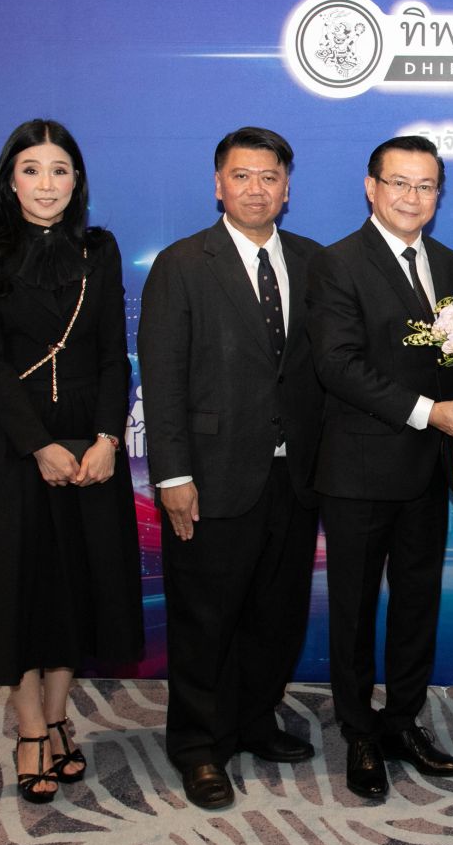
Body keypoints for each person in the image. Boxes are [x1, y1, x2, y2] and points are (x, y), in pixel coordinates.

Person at [0, 119, 144, 804]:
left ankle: (58, 716)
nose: (46, 184)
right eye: (31, 170)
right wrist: (39, 445)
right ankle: (30, 728)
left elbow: (114, 355)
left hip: (91, 441)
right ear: (10, 180)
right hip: (15, 443)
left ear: (76, 180)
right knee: (17, 587)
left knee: (76, 584)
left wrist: (107, 439)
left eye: (60, 170)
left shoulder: (98, 249)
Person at [138, 127, 324, 810]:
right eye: (241, 176)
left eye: (269, 176)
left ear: (287, 187)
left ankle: (252, 720)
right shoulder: (183, 263)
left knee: (276, 613)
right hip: (210, 475)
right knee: (205, 619)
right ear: (218, 185)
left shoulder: (312, 262)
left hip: (294, 477)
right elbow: (162, 379)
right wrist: (172, 475)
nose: (256, 189)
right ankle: (198, 745)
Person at [305, 134, 453, 801]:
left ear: (439, 194)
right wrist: (427, 412)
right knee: (353, 610)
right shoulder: (336, 262)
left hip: (427, 468)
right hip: (358, 468)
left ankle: (404, 720)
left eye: (426, 185)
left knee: (417, 603)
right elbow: (337, 364)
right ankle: (358, 731)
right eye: (399, 183)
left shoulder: (447, 260)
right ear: (371, 187)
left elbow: (452, 358)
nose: (412, 197)